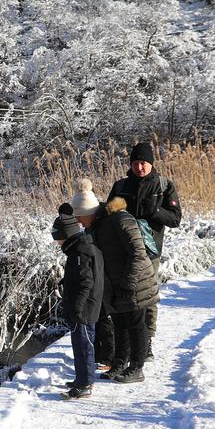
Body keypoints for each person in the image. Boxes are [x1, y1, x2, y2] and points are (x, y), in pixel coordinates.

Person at [109, 142, 181, 341]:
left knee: (148, 295)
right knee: (123, 293)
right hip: (123, 251)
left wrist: (155, 211)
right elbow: (109, 215)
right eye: (136, 163)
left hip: (150, 251)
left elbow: (175, 219)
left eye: (144, 163)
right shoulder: (121, 186)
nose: (140, 167)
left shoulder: (163, 185)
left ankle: (147, 337)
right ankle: (126, 339)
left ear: (151, 163)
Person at [90, 194, 158, 383]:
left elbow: (138, 252)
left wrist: (128, 283)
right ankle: (120, 363)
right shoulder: (97, 226)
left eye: (81, 216)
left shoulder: (121, 219)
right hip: (117, 283)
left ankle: (137, 368)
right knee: (120, 323)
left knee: (136, 324)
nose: (80, 221)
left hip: (135, 281)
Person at [53, 200, 103, 400]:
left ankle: (85, 384)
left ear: (67, 235)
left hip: (84, 309)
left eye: (59, 239)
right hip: (85, 307)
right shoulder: (81, 248)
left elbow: (85, 282)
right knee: (80, 344)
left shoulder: (80, 252)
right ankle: (81, 378)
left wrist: (78, 308)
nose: (58, 243)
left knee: (84, 346)